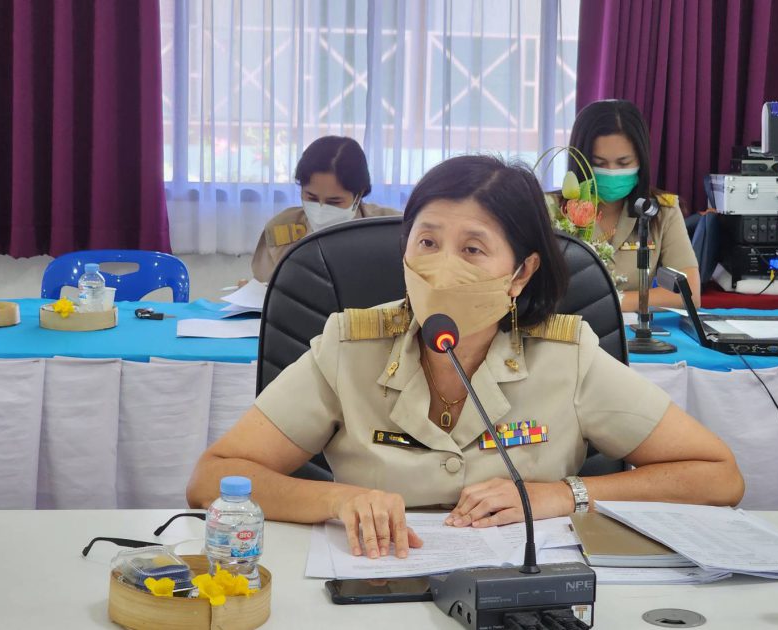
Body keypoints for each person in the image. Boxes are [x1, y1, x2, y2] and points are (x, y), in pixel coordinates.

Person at [188, 155, 743, 560]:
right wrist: (339, 500)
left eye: (473, 249)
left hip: (523, 596)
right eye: (427, 243)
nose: (441, 268)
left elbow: (717, 476)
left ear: (521, 273)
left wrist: (563, 495)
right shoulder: (348, 346)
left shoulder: (567, 356)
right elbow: (213, 478)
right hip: (373, 582)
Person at [564, 99, 701, 311]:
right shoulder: (551, 209)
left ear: (641, 160)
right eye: (599, 163)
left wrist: (614, 302)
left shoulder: (662, 210)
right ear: (580, 160)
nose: (611, 172)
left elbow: (689, 294)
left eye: (623, 163)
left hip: (633, 326)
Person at [250, 136, 399, 282]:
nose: (321, 209)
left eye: (334, 201)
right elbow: (264, 289)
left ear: (358, 195)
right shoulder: (280, 227)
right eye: (312, 198)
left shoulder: (391, 228)